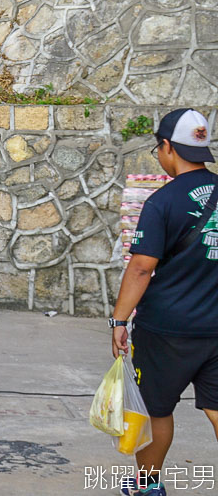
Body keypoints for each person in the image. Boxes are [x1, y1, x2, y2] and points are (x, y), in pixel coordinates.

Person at [111, 108, 218, 496]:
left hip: (167, 329)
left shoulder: (163, 201)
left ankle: (148, 485)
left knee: (157, 409)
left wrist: (119, 321)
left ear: (168, 147)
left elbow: (141, 268)